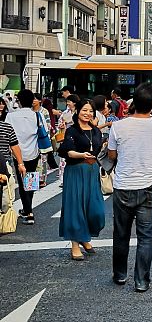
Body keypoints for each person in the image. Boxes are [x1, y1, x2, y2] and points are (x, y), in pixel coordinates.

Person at [107, 84, 152, 292]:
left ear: (133, 102)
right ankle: (141, 281)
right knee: (145, 236)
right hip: (148, 187)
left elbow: (112, 155)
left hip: (123, 186)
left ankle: (120, 274)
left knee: (121, 233)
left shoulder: (118, 126)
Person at [59, 98, 105, 260]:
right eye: (85, 110)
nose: (88, 114)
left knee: (96, 211)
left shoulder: (96, 131)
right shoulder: (72, 131)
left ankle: (84, 236)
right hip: (76, 171)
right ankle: (75, 244)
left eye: (91, 111)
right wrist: (81, 155)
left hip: (92, 172)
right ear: (77, 111)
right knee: (75, 208)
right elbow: (68, 151)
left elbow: (101, 150)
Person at [7, 89, 41, 225]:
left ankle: (28, 212)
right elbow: (43, 132)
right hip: (33, 152)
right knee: (30, 181)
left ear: (19, 101)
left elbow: (7, 133)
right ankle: (28, 208)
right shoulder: (37, 116)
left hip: (17, 153)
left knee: (21, 183)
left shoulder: (11, 116)